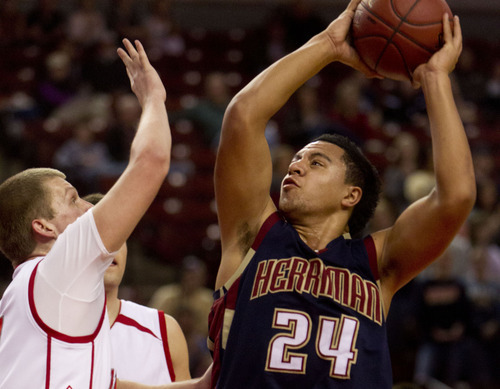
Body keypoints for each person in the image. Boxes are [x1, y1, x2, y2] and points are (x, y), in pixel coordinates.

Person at [208, 0, 476, 387]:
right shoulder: (254, 234)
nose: (295, 166)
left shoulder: (379, 263)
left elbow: (456, 196)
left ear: (351, 195)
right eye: (297, 159)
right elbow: (243, 116)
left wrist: (435, 78)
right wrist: (327, 45)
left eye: (316, 163)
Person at [0, 38, 172, 388]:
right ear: (43, 227)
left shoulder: (43, 293)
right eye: (73, 198)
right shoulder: (55, 273)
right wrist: (153, 98)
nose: (89, 206)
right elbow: (151, 160)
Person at [84, 192, 191, 385]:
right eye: (98, 235)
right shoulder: (42, 332)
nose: (111, 245)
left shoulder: (165, 331)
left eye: (119, 235)